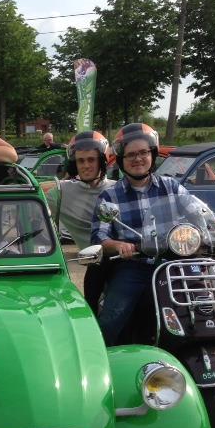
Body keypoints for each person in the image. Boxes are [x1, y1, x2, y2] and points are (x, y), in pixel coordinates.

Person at [91, 123, 194, 346]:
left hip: (172, 263)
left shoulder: (171, 187)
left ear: (152, 154)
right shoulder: (110, 196)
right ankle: (100, 356)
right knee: (111, 319)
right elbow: (99, 237)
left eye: (143, 152)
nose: (138, 159)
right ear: (121, 160)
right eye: (131, 155)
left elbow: (199, 212)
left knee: (206, 305)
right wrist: (119, 246)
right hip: (134, 266)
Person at [45, 130, 116, 311]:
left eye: (91, 160)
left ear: (102, 161)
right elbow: (33, 199)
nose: (85, 166)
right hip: (95, 266)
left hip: (125, 261)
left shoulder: (118, 189)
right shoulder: (61, 192)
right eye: (80, 161)